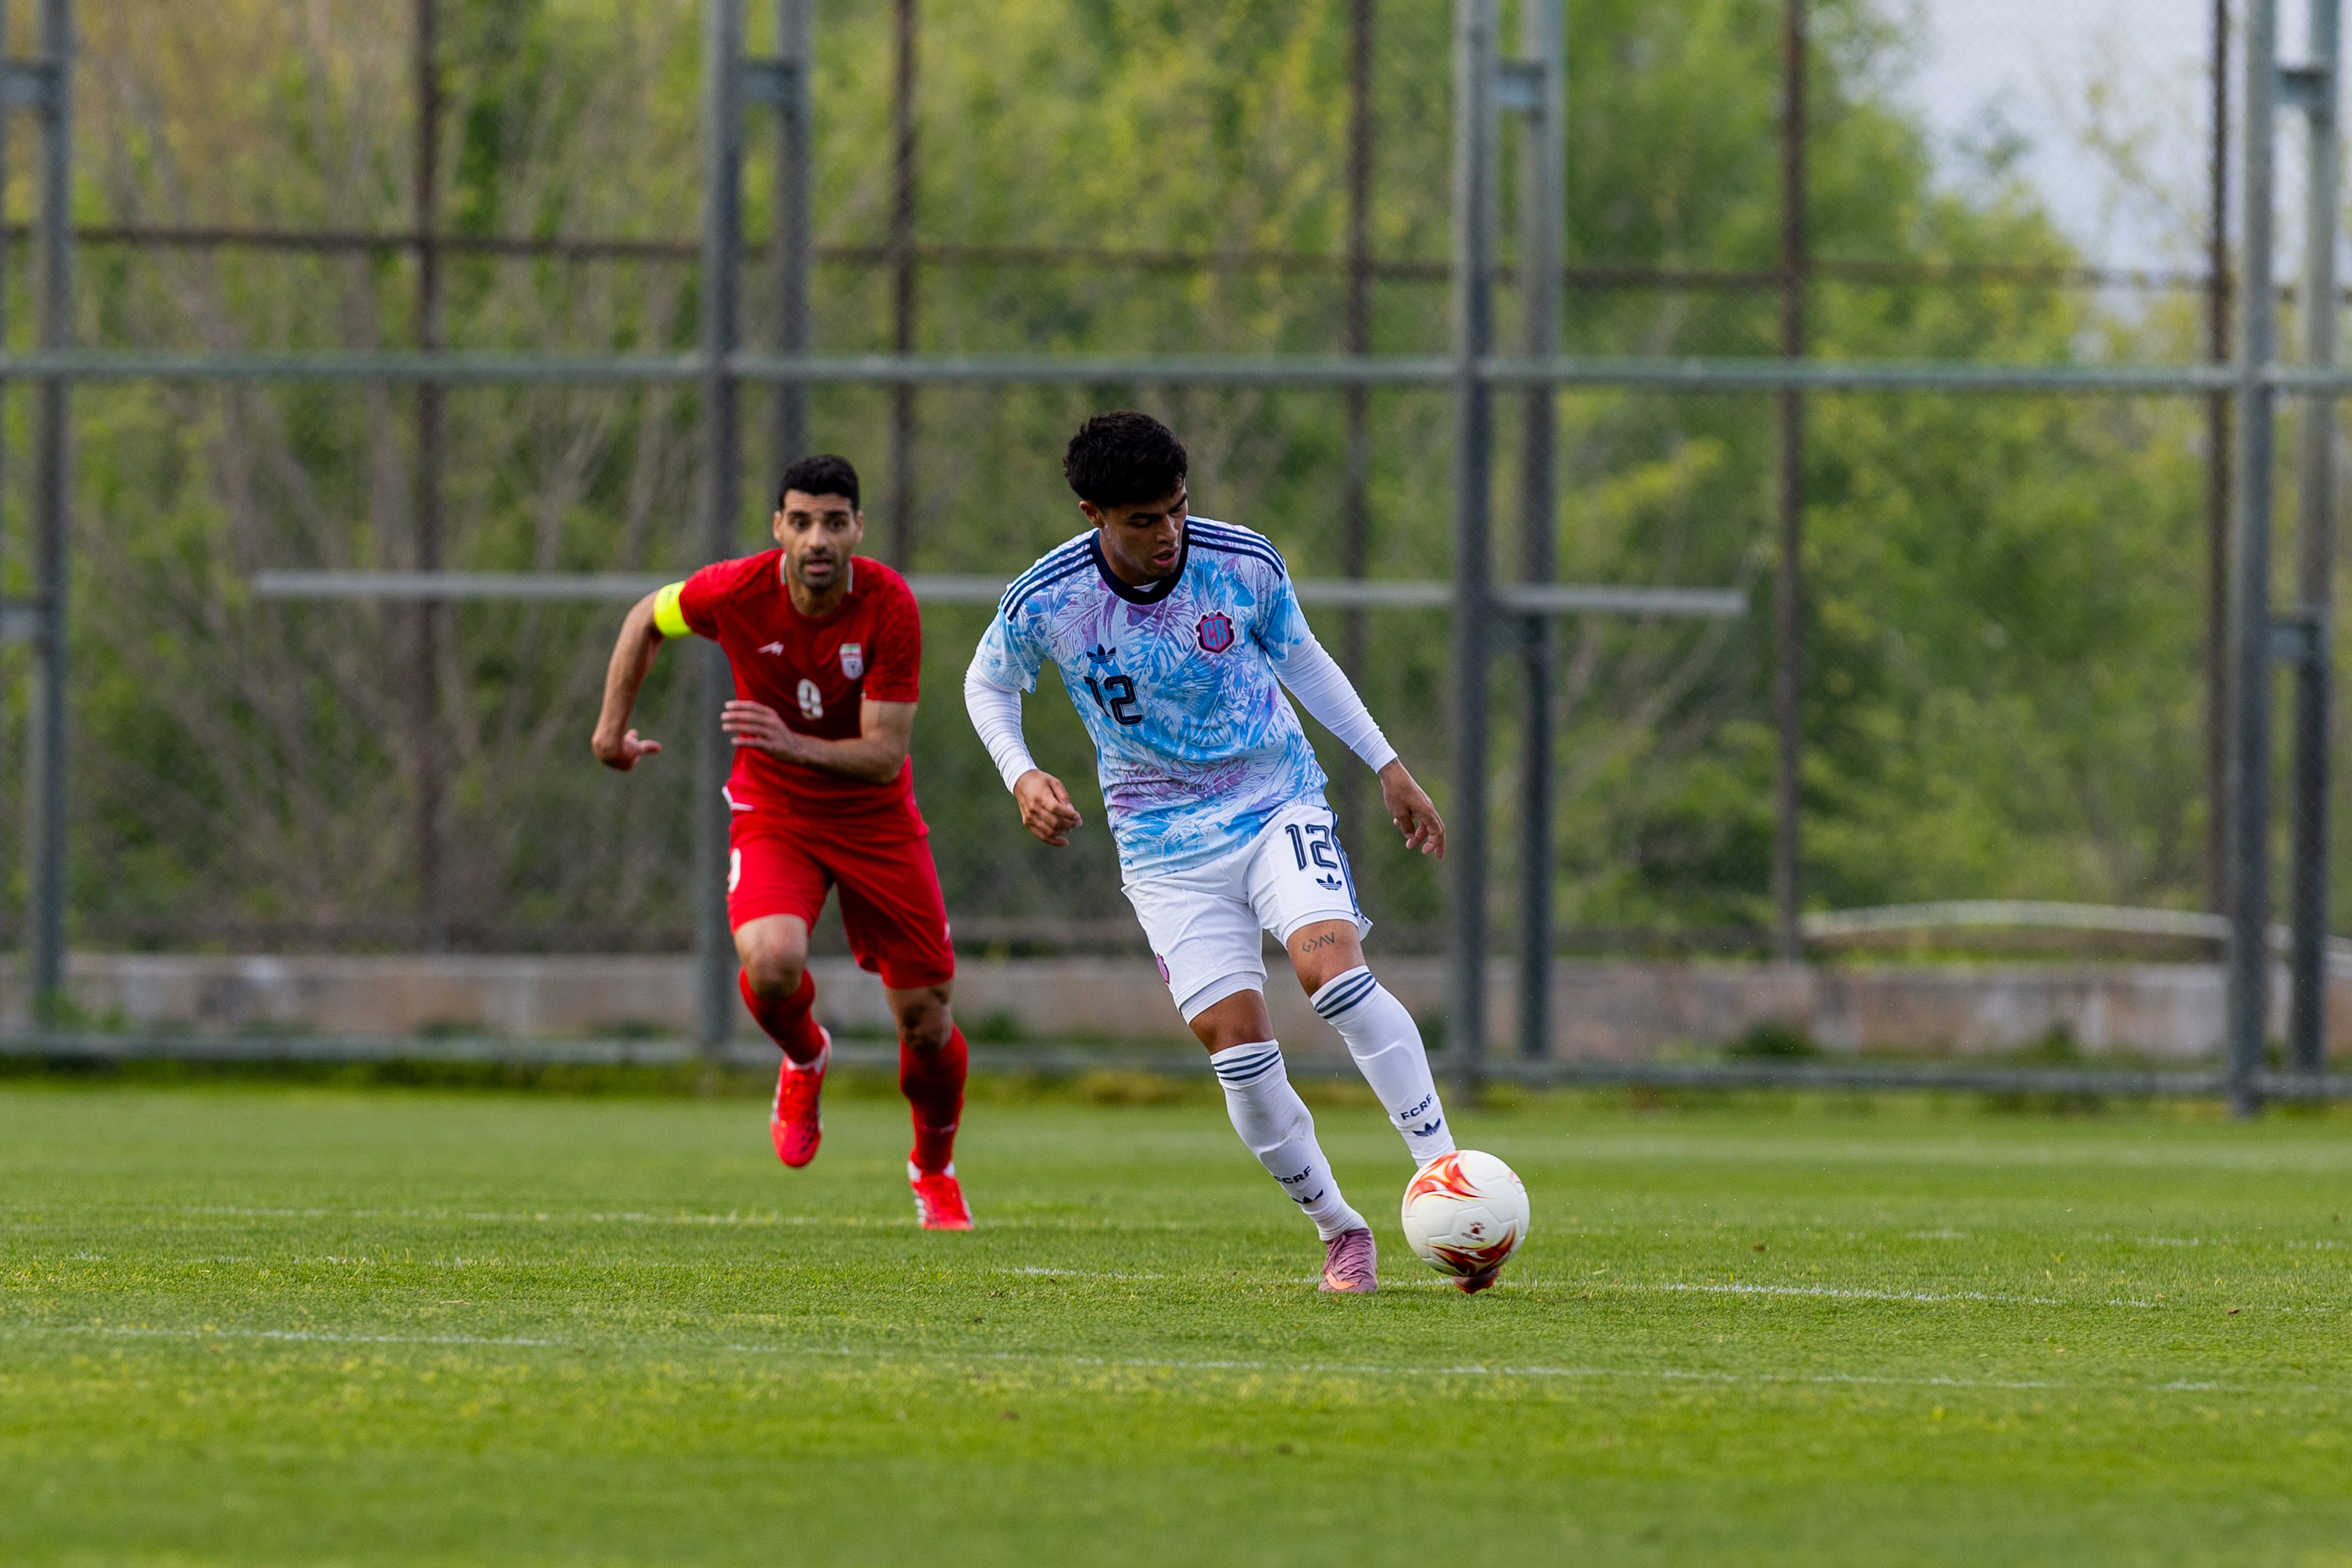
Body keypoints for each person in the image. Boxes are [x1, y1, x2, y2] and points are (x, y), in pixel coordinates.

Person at [963, 411, 1477, 1294]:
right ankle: (1340, 1230)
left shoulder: (1242, 561)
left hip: (1275, 800)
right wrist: (1022, 773)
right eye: (1143, 520)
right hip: (1162, 847)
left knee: (1336, 977)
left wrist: (1388, 765)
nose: (1169, 533)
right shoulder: (1046, 598)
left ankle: (1449, 1181)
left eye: (1177, 509)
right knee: (1237, 1048)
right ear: (1095, 515)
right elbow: (986, 683)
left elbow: (1305, 658)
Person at [592, 454, 973, 1230]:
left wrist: (789, 739)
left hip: (875, 819)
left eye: (835, 522)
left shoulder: (889, 605)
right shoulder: (735, 590)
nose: (818, 538)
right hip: (776, 813)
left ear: (857, 529)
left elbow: (885, 756)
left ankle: (933, 1168)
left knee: (928, 1024)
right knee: (769, 966)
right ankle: (805, 1056)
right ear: (779, 529)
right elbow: (645, 619)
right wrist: (609, 731)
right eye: (801, 522)